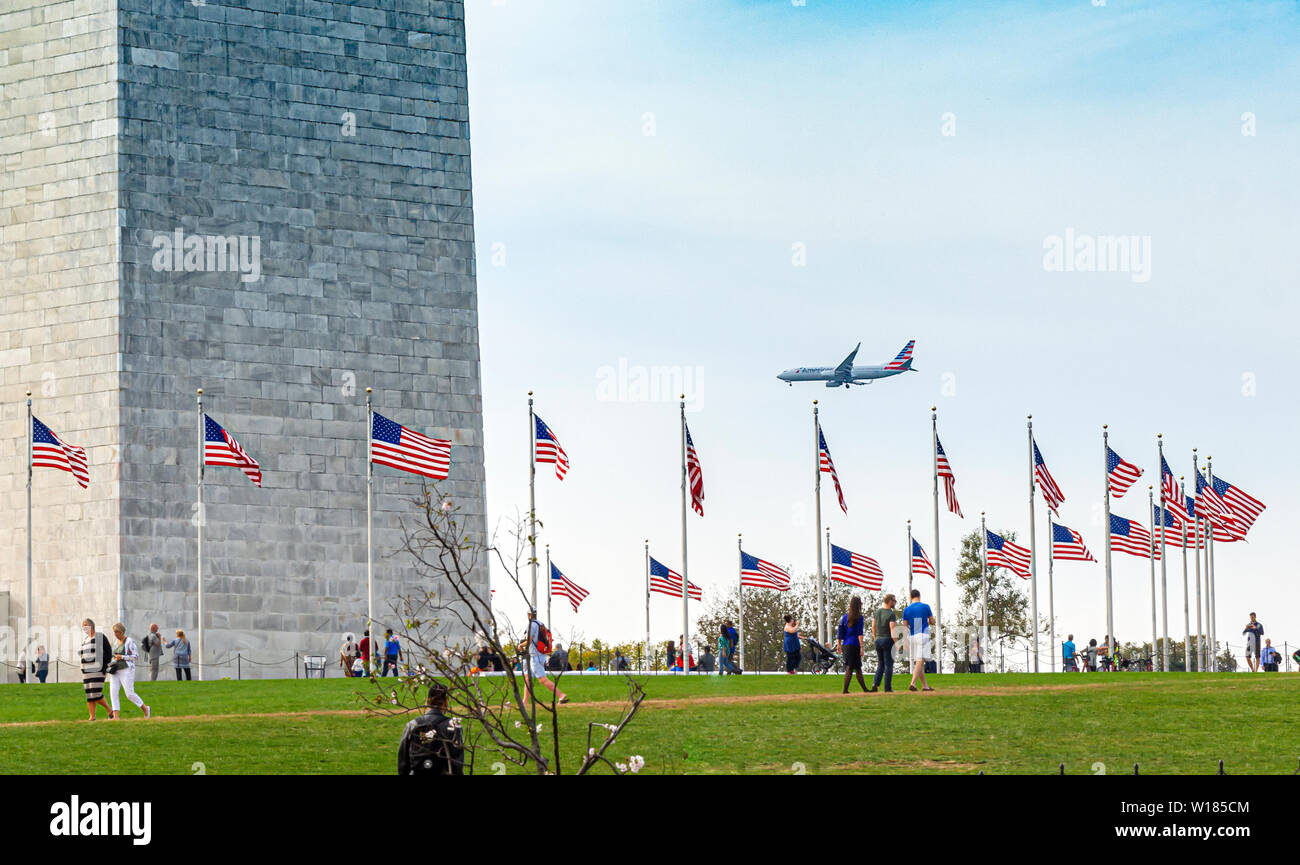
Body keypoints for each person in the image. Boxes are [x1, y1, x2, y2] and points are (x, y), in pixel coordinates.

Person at [397, 683, 464, 775]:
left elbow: (403, 761)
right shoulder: (453, 726)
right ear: (446, 702)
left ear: (427, 701)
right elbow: (457, 763)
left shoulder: (413, 725)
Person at [107, 623, 151, 720]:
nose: (115, 634)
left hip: (126, 670)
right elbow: (114, 655)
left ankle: (146, 709)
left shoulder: (129, 641)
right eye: (114, 632)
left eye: (116, 632)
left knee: (129, 694)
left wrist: (122, 657)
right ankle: (116, 717)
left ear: (122, 632)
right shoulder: (115, 642)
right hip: (115, 670)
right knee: (113, 692)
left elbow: (136, 657)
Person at [523, 609, 567, 704]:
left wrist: (520, 645)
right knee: (527, 678)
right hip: (539, 653)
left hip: (535, 655)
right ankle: (525, 702)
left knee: (542, 679)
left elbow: (529, 641)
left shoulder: (531, 624)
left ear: (528, 614)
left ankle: (561, 695)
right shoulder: (540, 624)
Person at [902, 589, 936, 692]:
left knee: (920, 661)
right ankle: (913, 683)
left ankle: (925, 686)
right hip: (923, 634)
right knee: (920, 660)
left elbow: (905, 625)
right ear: (919, 596)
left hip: (913, 636)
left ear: (911, 597)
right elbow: (932, 621)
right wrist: (930, 620)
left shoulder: (906, 610)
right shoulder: (925, 606)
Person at [80, 619, 114, 720]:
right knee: (89, 694)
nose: (84, 627)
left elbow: (108, 652)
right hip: (86, 672)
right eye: (83, 625)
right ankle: (92, 716)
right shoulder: (85, 640)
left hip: (97, 670)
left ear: (92, 626)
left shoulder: (99, 636)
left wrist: (105, 666)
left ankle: (110, 711)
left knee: (96, 693)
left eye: (85, 625)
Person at [835, 595, 869, 694]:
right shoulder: (859, 617)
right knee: (851, 667)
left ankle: (864, 689)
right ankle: (845, 690)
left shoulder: (845, 617)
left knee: (857, 667)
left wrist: (839, 644)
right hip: (855, 645)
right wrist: (862, 647)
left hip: (846, 645)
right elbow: (860, 633)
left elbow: (840, 631)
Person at [869, 595, 898, 692]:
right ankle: (888, 688)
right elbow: (892, 628)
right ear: (890, 601)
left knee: (880, 663)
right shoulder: (891, 614)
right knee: (888, 664)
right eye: (894, 601)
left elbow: (873, 626)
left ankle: (875, 684)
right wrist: (896, 642)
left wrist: (875, 637)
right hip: (888, 640)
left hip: (878, 640)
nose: (895, 602)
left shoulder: (877, 612)